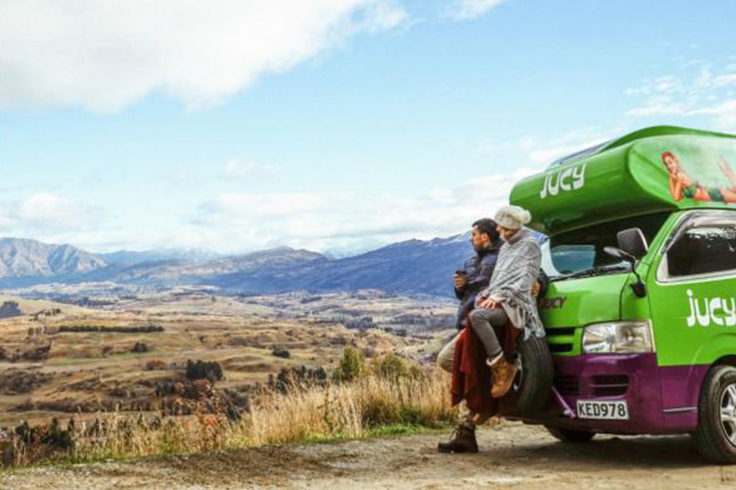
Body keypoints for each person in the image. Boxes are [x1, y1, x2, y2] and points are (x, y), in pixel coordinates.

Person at [437, 213, 545, 453]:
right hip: (468, 322)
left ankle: (469, 426)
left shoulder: (510, 251)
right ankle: (473, 422)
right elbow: (469, 294)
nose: (471, 239)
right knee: (450, 361)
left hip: (493, 321)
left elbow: (534, 272)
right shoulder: (472, 261)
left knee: (466, 364)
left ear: (485, 236)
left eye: (473, 235)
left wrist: (539, 283)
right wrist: (460, 288)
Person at [471, 204, 544, 399]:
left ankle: (502, 366)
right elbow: (500, 279)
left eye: (502, 227)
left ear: (513, 228)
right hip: (501, 300)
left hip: (516, 305)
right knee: (476, 314)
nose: (498, 230)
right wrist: (487, 293)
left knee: (478, 316)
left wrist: (499, 297)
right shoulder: (506, 246)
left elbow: (525, 280)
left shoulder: (530, 246)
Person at [662, 151, 736, 203]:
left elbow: (676, 198)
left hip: (714, 194)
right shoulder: (679, 174)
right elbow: (677, 196)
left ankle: (728, 172)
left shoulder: (680, 175)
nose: (669, 166)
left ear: (675, 160)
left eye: (670, 162)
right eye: (666, 164)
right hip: (712, 193)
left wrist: (672, 178)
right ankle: (728, 172)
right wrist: (671, 177)